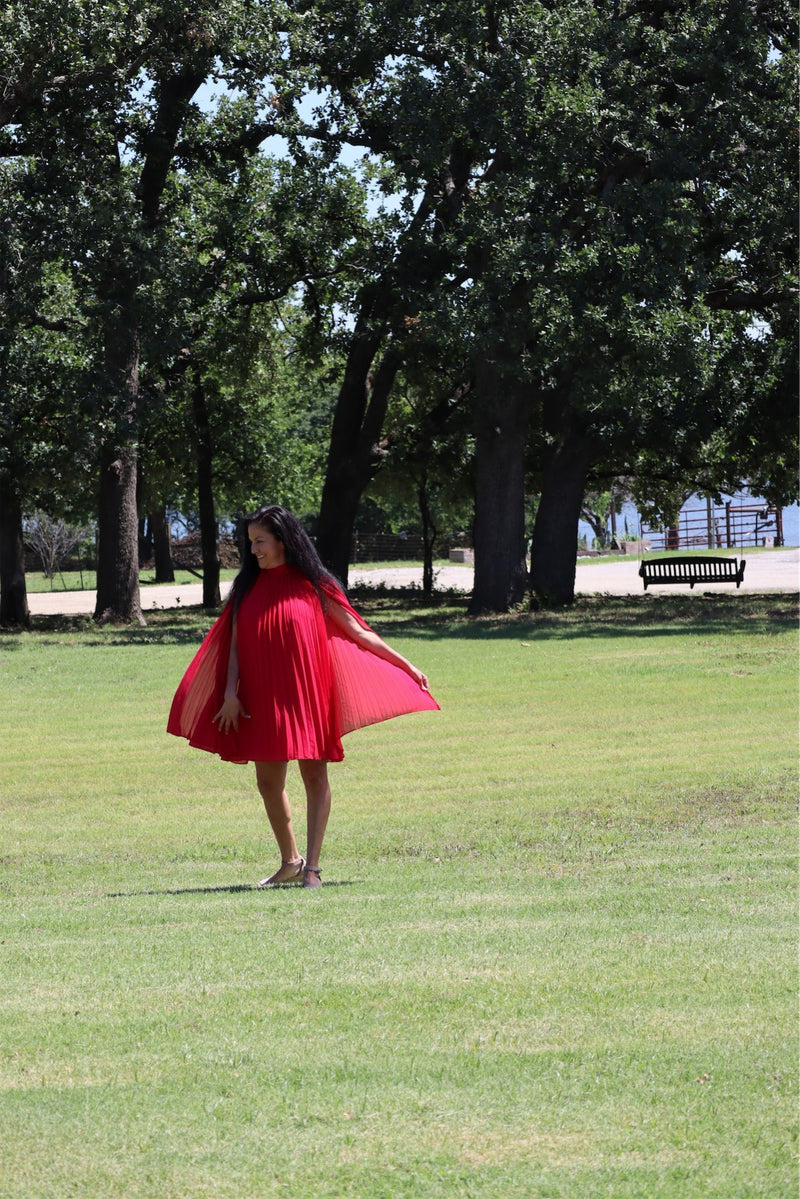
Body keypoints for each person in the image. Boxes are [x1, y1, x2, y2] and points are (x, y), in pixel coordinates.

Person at [167, 505, 439, 889]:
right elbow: (233, 646)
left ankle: (312, 867)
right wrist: (230, 692)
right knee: (267, 782)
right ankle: (289, 861)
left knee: (314, 774)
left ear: (282, 540)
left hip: (306, 692)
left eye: (260, 541)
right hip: (260, 695)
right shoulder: (246, 587)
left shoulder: (314, 584)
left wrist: (405, 664)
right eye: (251, 543)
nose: (254, 550)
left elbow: (359, 633)